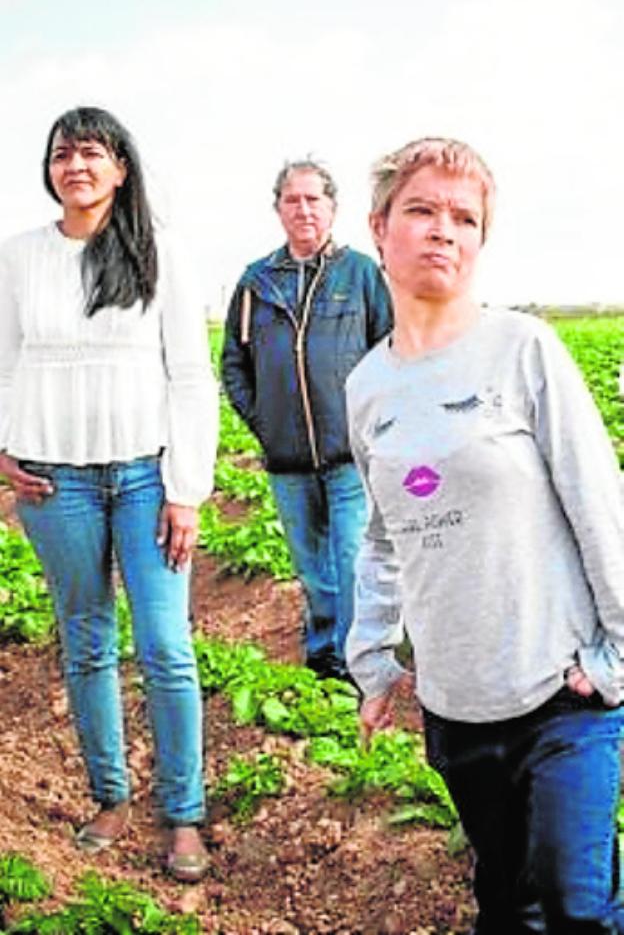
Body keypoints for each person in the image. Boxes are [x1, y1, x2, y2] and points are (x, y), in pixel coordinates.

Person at [345, 137, 624, 933]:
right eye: (422, 210)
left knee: (578, 908)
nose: (443, 230)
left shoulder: (522, 348)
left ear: (480, 242)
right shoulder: (367, 388)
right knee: (507, 903)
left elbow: (599, 502)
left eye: (464, 218)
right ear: (380, 227)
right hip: (459, 704)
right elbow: (383, 536)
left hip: (561, 693)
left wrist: (617, 655)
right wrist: (372, 658)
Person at [0, 107, 219, 882]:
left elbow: (192, 377)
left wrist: (186, 487)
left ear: (121, 167)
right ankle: (111, 796)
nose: (76, 165)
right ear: (49, 170)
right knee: (87, 640)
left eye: (92, 152)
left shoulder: (160, 254)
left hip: (142, 478)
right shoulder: (19, 257)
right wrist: (4, 452)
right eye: (62, 153)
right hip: (52, 482)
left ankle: (184, 815)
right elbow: (3, 361)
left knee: (165, 647)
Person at [221, 159, 392, 679]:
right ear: (278, 209)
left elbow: (392, 351)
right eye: (292, 200)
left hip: (348, 457)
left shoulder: (360, 273)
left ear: (333, 208)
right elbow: (234, 361)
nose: (303, 209)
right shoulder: (257, 282)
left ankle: (352, 661)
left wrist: (372, 427)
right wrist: (265, 423)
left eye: (313, 199)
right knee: (312, 567)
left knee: (349, 558)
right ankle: (322, 648)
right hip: (286, 459)